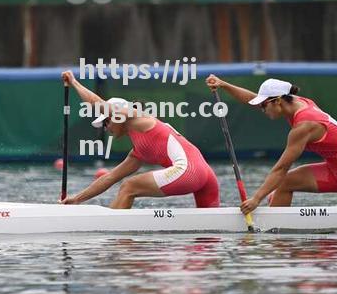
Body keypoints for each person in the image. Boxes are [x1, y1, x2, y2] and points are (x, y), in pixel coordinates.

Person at [205, 75, 337, 215]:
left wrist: (256, 199)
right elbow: (253, 98)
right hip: (333, 169)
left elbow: (281, 168)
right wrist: (223, 84)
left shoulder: (304, 125)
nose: (262, 109)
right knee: (285, 183)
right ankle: (276, 235)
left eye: (264, 105)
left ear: (278, 101)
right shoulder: (293, 101)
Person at [59, 71, 220, 209]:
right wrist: (76, 199)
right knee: (207, 241)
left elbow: (99, 105)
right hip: (206, 175)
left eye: (107, 121)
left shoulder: (136, 115)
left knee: (129, 186)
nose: (106, 127)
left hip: (189, 172)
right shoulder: (138, 152)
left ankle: (114, 241)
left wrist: (74, 82)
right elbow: (109, 178)